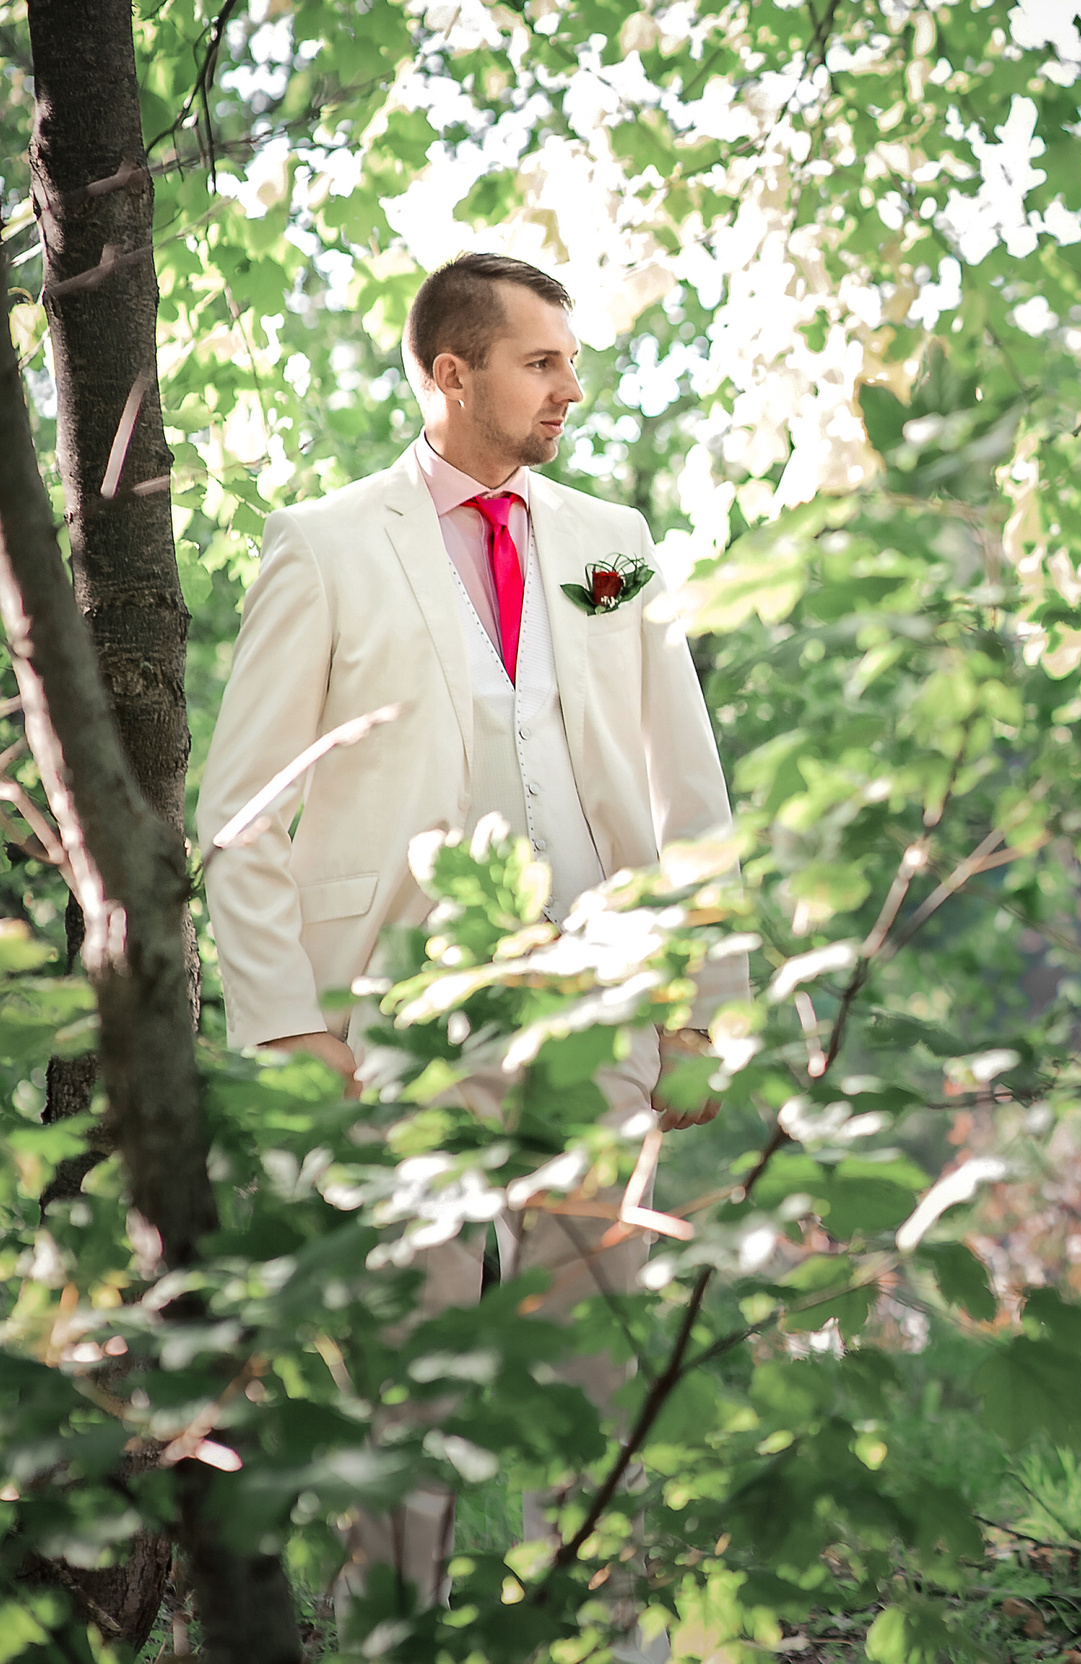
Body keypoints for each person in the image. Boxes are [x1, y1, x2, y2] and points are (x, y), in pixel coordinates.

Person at [196, 251, 748, 1610]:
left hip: (600, 1003)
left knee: (605, 1368)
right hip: (391, 1027)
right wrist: (290, 1030)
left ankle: (604, 1640)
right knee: (406, 1381)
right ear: (453, 371)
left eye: (568, 359)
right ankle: (393, 1634)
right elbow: (240, 818)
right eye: (541, 361)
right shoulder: (324, 544)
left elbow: (688, 783)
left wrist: (698, 1005)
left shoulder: (608, 546)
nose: (571, 386)